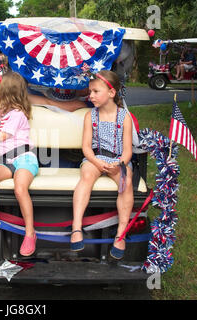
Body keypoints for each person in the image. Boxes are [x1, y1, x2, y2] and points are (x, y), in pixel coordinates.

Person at [70, 70, 133, 260]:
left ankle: (120, 233)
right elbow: (86, 148)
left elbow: (128, 150)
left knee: (126, 181)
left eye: (96, 92)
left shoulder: (124, 117)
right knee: (87, 175)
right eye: (90, 92)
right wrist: (97, 162)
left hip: (117, 159)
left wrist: (119, 164)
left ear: (112, 93)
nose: (91, 96)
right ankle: (76, 227)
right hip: (95, 158)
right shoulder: (91, 116)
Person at [0, 72, 39, 257]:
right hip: (5, 161)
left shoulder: (17, 114)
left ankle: (30, 232)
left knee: (20, 188)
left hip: (24, 159)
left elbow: (2, 135)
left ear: (7, 93)